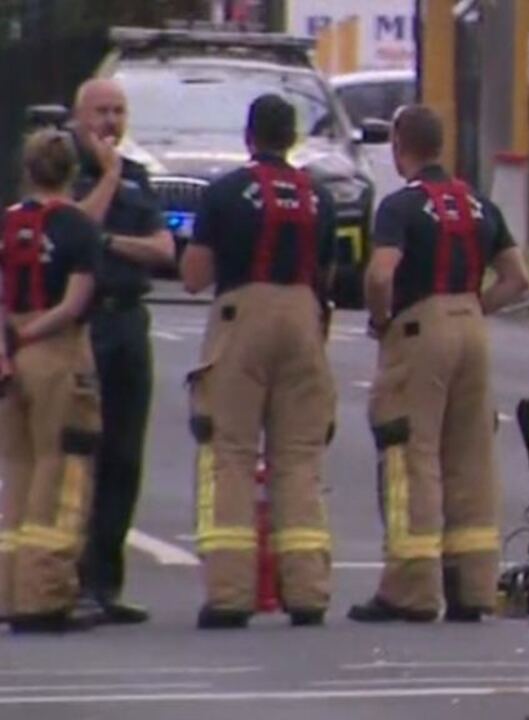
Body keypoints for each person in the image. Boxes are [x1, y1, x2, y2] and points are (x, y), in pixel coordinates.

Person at [349, 105, 529, 624]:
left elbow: (383, 273)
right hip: (472, 325)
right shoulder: (478, 204)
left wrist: (382, 318)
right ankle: (474, 587)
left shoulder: (400, 207)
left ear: (399, 146)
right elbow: (519, 279)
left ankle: (411, 589)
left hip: (419, 327)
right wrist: (474, 308)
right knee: (471, 456)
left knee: (413, 453)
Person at [181, 94, 339, 630]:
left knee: (232, 452)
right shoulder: (319, 197)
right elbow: (329, 275)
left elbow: (195, 276)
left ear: (249, 137)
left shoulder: (225, 193)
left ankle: (230, 594)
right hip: (303, 315)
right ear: (292, 137)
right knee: (299, 457)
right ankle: (308, 592)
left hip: (242, 315)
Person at [71, 78, 175, 625]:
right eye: (100, 113)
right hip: (81, 324)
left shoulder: (136, 177)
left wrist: (111, 242)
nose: (110, 122)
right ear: (78, 117)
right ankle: (69, 579)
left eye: (118, 112)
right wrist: (105, 179)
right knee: (80, 451)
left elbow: (163, 249)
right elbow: (71, 227)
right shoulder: (60, 168)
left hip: (129, 320)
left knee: (124, 456)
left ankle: (106, 583)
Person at [0, 129, 104, 633]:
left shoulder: (9, 222)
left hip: (9, 352)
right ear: (70, 173)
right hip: (57, 350)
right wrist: (34, 334)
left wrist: (9, 340)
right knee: (59, 468)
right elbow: (75, 301)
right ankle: (45, 592)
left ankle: (8, 588)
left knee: (15, 466)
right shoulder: (77, 226)